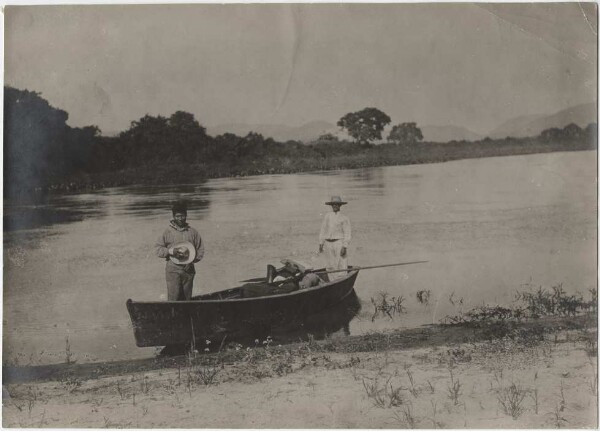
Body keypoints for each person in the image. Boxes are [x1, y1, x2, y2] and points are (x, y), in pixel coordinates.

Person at [155, 200, 205, 300]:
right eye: (177, 216)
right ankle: (173, 315)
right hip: (173, 269)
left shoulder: (192, 232)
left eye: (182, 216)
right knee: (173, 298)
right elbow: (158, 249)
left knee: (187, 298)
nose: (180, 219)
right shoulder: (167, 232)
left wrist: (192, 261)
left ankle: (186, 315)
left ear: (186, 216)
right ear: (173, 217)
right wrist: (170, 251)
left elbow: (200, 250)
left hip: (188, 269)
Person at [318, 196, 351, 278]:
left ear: (340, 206)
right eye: (333, 205)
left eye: (336, 204)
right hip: (328, 243)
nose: (335, 206)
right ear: (331, 206)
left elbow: (347, 233)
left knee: (341, 263)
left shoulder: (344, 218)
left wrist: (344, 246)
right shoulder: (327, 216)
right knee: (330, 265)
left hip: (338, 243)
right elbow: (323, 229)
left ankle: (342, 280)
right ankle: (332, 281)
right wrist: (321, 243)